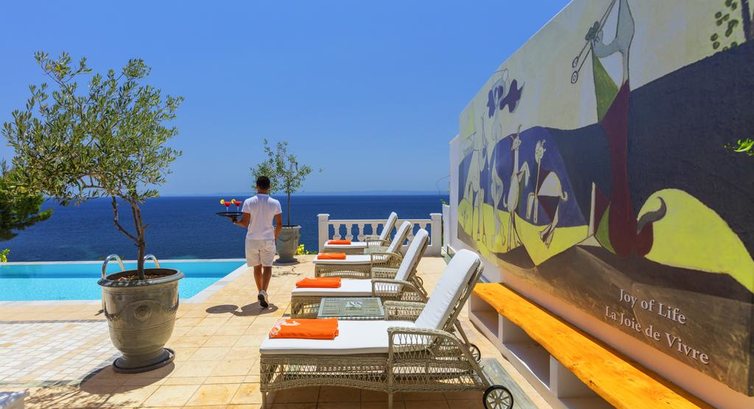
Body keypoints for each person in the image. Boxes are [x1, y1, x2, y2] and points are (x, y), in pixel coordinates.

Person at [234, 176, 282, 308]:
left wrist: (234, 221)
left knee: (257, 267)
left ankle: (260, 291)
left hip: (252, 240)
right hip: (268, 239)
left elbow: (244, 223)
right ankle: (263, 292)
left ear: (256, 186)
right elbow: (279, 224)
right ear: (269, 187)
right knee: (267, 266)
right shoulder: (275, 203)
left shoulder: (249, 202)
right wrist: (274, 237)